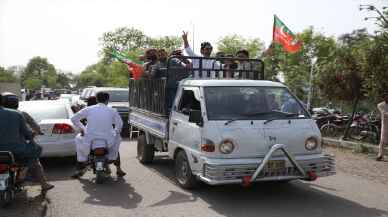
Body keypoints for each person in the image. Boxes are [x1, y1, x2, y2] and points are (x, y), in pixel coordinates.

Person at [0, 93, 54, 193]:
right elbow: (28, 133)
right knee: (37, 150)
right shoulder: (19, 114)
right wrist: (33, 134)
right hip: (17, 150)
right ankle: (40, 181)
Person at [71, 92, 125, 178]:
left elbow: (74, 119)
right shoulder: (112, 110)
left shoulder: (88, 109)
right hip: (108, 140)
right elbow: (120, 124)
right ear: (107, 100)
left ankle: (82, 159)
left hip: (90, 139)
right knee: (117, 139)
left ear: (97, 99)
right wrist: (115, 132)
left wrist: (82, 129)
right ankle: (114, 160)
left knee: (78, 138)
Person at [376, 92, 388, 161]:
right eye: (386, 96)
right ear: (383, 98)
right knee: (382, 140)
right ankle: (380, 155)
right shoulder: (380, 105)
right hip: (385, 124)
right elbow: (384, 113)